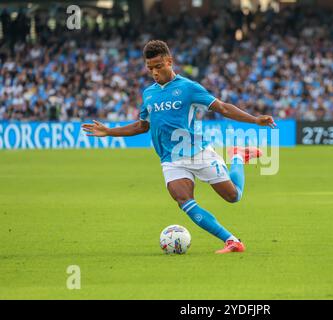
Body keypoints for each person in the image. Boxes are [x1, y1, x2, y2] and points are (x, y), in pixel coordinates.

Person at [82, 40, 276, 254]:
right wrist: (109, 131)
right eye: (149, 68)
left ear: (169, 62)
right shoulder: (148, 94)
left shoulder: (188, 87)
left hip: (198, 152)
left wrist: (255, 119)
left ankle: (238, 156)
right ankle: (231, 241)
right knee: (183, 200)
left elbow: (222, 108)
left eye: (158, 66)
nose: (154, 72)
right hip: (170, 159)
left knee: (233, 197)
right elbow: (142, 126)